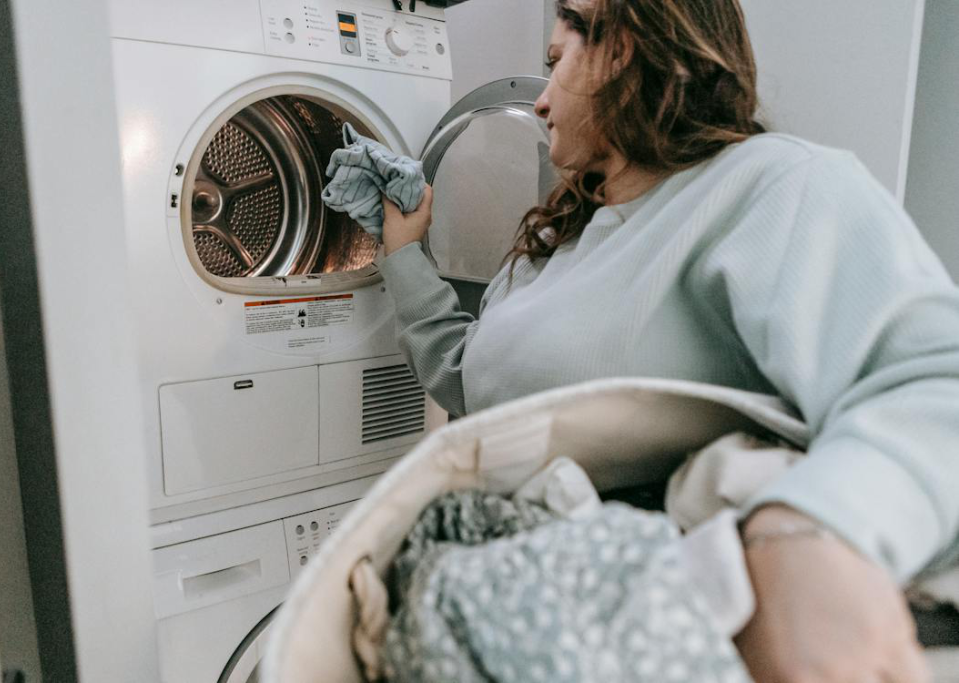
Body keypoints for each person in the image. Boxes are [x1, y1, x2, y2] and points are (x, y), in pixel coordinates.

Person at [376, 0, 959, 681]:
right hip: (516, 613)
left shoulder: (770, 185)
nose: (538, 103)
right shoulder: (552, 245)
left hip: (665, 619)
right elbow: (472, 387)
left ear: (621, 46)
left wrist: (812, 530)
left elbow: (928, 381)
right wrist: (403, 253)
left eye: (555, 62)